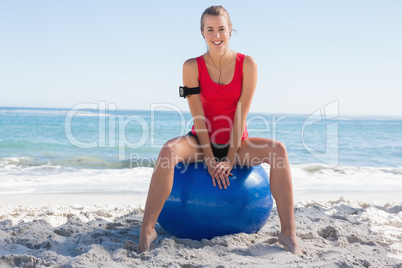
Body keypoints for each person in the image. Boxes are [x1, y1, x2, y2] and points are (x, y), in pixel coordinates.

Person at [139, 5, 302, 255]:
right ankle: (147, 230)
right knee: (168, 151)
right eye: (210, 29)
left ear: (230, 31)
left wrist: (227, 158)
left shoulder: (247, 64)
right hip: (200, 141)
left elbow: (241, 113)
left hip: (237, 144)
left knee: (278, 150)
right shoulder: (191, 66)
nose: (217, 35)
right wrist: (212, 158)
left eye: (222, 29)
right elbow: (198, 116)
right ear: (202, 32)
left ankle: (288, 233)